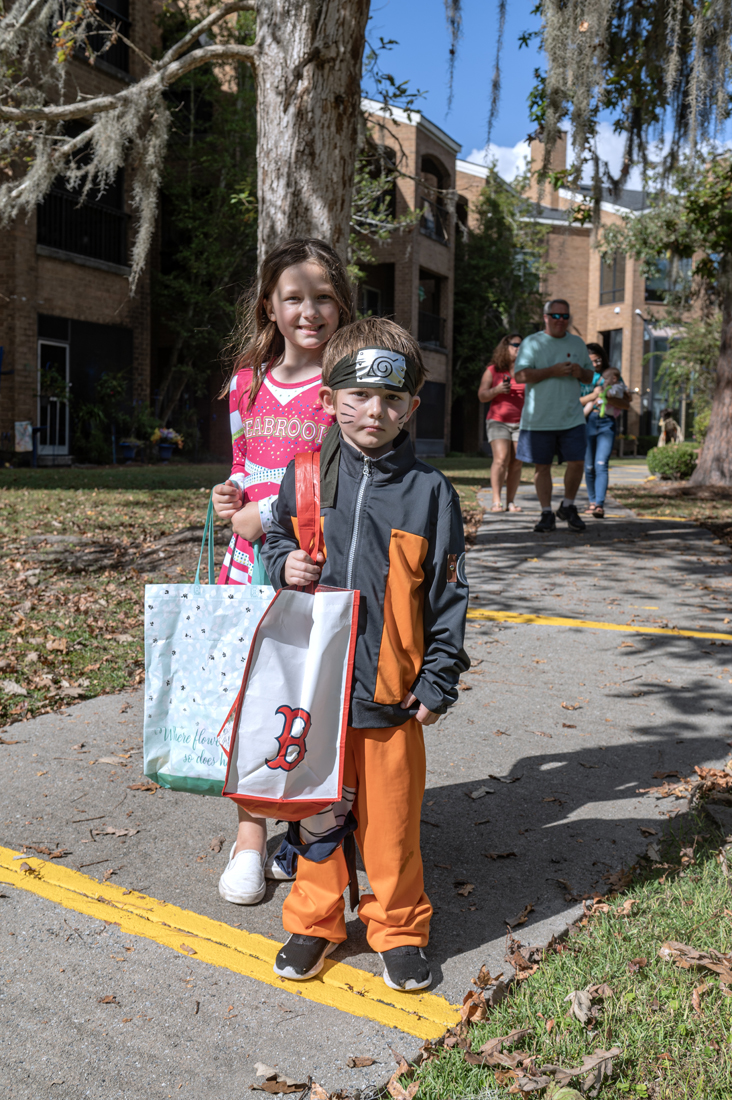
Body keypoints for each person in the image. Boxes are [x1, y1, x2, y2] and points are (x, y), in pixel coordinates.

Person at [260, 317, 469, 992]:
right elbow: (270, 548)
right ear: (328, 399)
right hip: (313, 698)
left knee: (391, 829)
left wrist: (438, 679)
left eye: (390, 400)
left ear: (411, 405)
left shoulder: (431, 493)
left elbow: (449, 594)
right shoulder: (305, 480)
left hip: (391, 697)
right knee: (314, 816)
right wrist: (282, 562)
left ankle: (399, 929)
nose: (373, 412)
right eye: (358, 396)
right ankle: (314, 922)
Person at [211, 238, 355, 907]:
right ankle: (248, 839)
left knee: (303, 700)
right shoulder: (248, 381)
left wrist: (266, 514)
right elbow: (245, 464)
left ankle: (302, 829)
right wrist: (230, 496)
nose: (309, 311)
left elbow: (340, 482)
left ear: (341, 304)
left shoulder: (347, 386)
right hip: (246, 573)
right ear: (270, 304)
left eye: (323, 296)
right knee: (248, 704)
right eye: (294, 297)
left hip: (310, 569)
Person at [514, 299, 594, 533]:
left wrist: (581, 372)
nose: (561, 321)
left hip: (572, 417)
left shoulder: (578, 343)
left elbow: (590, 376)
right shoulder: (532, 342)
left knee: (577, 463)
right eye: (556, 316)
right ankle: (546, 512)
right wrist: (553, 371)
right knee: (542, 467)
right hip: (540, 417)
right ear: (545, 317)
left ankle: (568, 506)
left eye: (565, 316)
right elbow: (520, 376)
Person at [477, 333, 525, 512]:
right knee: (501, 459)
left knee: (517, 462)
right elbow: (482, 396)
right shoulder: (493, 370)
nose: (519, 349)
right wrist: (497, 390)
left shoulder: (525, 371)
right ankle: (496, 500)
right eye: (515, 345)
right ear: (505, 347)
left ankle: (510, 501)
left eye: (522, 346)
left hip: (521, 422)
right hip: (498, 421)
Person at [581, 354, 631, 518]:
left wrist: (607, 394)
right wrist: (594, 395)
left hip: (606, 423)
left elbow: (627, 402)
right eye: (592, 361)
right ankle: (592, 501)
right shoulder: (580, 376)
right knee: (588, 466)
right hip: (588, 422)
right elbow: (574, 402)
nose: (595, 363)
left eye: (598, 360)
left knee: (601, 464)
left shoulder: (613, 378)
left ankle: (599, 505)